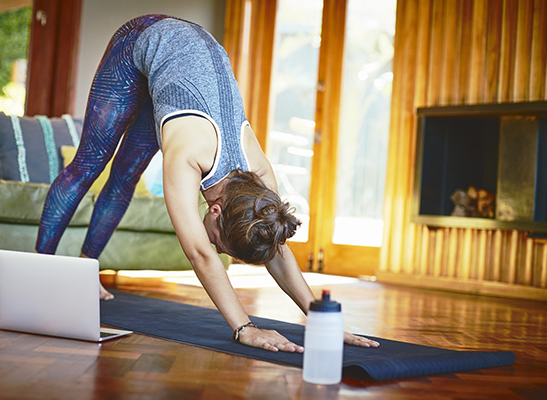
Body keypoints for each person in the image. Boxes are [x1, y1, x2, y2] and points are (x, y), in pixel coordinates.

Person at [36, 14, 380, 353]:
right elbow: (200, 253)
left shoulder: (260, 185)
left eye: (223, 248)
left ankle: (85, 271)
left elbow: (277, 247)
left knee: (125, 176)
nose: (216, 248)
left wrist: (322, 319)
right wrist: (244, 328)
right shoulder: (188, 155)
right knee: (90, 165)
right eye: (222, 243)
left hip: (185, 64)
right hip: (141, 40)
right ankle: (37, 272)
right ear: (215, 210)